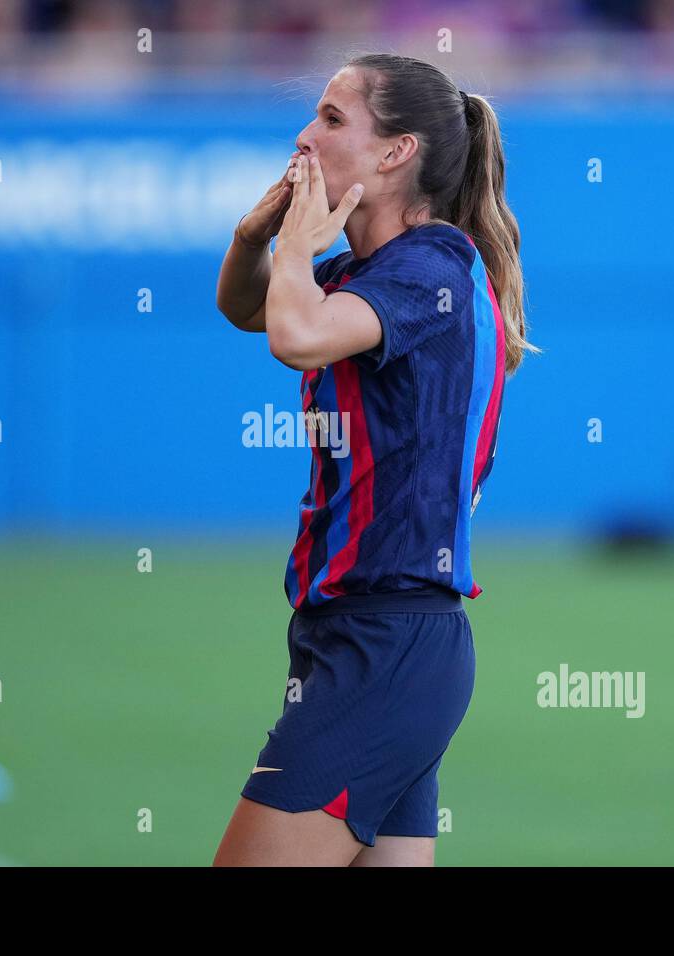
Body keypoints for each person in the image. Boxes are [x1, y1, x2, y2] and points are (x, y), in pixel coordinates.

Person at [213, 53, 534, 866]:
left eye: (330, 118)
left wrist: (292, 246)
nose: (304, 135)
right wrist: (258, 235)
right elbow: (246, 307)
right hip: (364, 638)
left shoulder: (431, 268)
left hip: (387, 641)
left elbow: (297, 336)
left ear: (396, 153)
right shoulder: (369, 271)